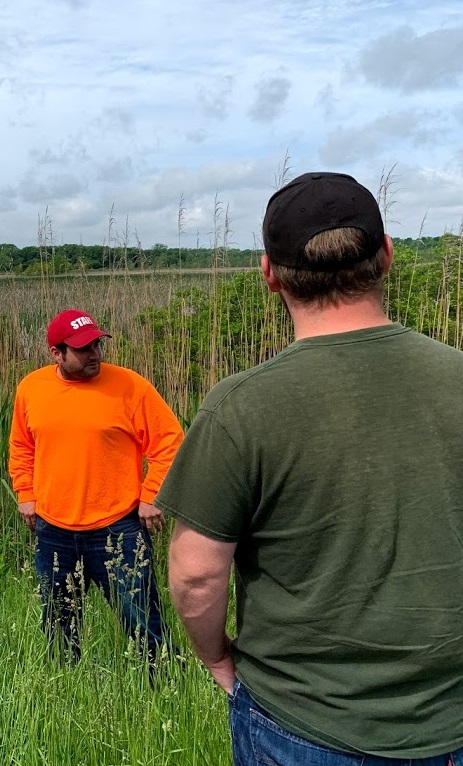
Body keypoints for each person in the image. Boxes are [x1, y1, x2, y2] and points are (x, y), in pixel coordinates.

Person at [156, 172, 463, 763]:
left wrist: (219, 658)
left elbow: (196, 575)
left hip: (304, 723)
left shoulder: (240, 408)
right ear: (388, 255)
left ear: (269, 274)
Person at [8, 309, 183, 669]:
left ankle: (165, 686)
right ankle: (64, 691)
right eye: (83, 349)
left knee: (142, 624)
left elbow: (171, 442)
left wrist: (151, 496)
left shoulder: (130, 386)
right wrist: (25, 493)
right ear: (56, 353)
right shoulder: (31, 388)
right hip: (53, 528)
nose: (95, 355)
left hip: (118, 528)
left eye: (96, 344)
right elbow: (22, 446)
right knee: (58, 626)